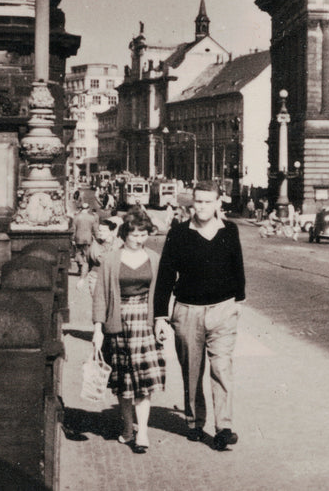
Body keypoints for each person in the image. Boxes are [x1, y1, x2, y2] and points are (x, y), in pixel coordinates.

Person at [154, 182, 246, 452]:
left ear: (219, 203)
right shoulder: (179, 233)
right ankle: (194, 423)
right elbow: (166, 276)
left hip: (222, 310)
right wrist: (160, 316)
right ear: (191, 204)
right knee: (192, 371)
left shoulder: (230, 230)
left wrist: (239, 300)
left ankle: (223, 428)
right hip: (187, 311)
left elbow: (236, 265)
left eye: (208, 201)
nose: (203, 207)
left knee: (222, 369)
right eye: (198, 202)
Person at [92, 209, 165, 455]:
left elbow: (162, 294)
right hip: (118, 322)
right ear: (125, 234)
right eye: (133, 233)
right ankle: (127, 427)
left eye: (143, 233)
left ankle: (142, 431)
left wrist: (161, 322)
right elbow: (101, 295)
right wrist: (97, 328)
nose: (138, 238)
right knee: (124, 381)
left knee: (143, 381)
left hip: (145, 322)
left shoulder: (154, 258)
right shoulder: (111, 259)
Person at [72, 202, 99, 275]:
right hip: (88, 238)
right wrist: (97, 238)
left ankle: (80, 267)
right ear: (88, 209)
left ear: (81, 208)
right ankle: (87, 268)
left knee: (78, 253)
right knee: (87, 253)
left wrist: (72, 238)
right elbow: (95, 229)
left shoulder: (76, 217)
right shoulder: (92, 217)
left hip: (78, 237)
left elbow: (73, 229)